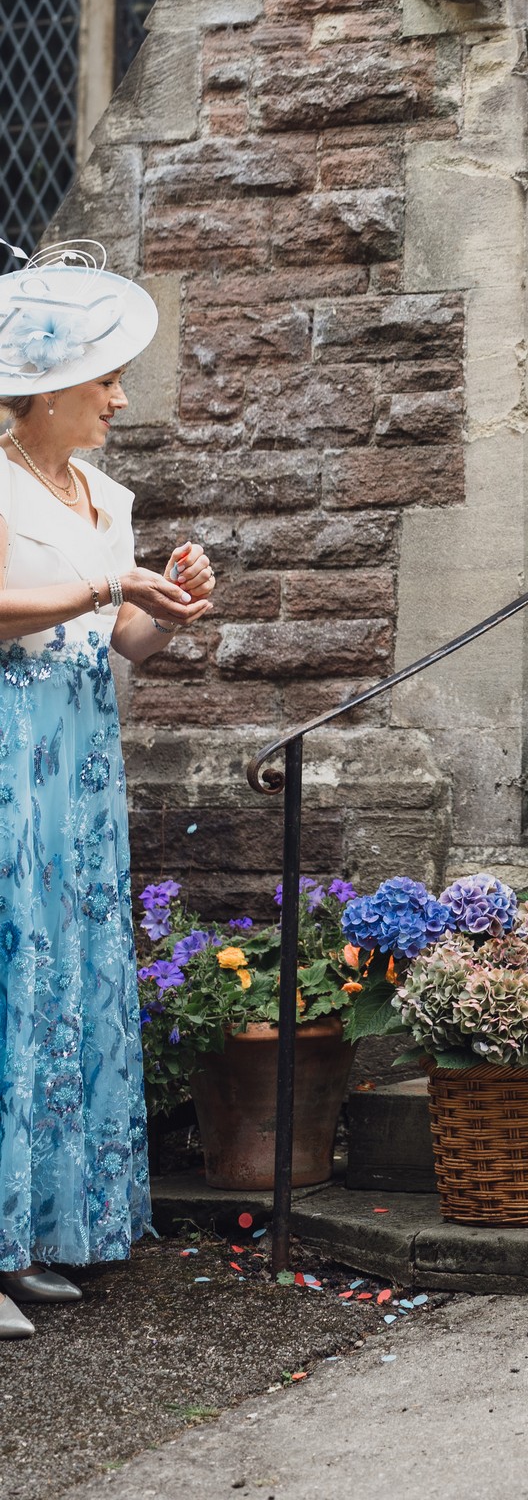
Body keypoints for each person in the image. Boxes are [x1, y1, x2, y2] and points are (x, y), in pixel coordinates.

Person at [0, 244, 215, 1339]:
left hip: (78, 751)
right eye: (104, 380)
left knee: (61, 973)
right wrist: (100, 581)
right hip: (4, 750)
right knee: (5, 973)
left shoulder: (105, 493)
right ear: (41, 391)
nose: (122, 398)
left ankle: (32, 1231)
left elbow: (113, 643)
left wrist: (164, 610)